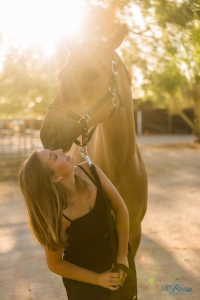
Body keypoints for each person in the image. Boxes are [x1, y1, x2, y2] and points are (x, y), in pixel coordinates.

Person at [19, 148, 137, 300]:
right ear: (55, 177)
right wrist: (97, 279)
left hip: (119, 260)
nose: (60, 150)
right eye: (54, 156)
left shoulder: (90, 170)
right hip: (86, 284)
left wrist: (122, 255)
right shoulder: (58, 216)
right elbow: (55, 264)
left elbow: (121, 209)